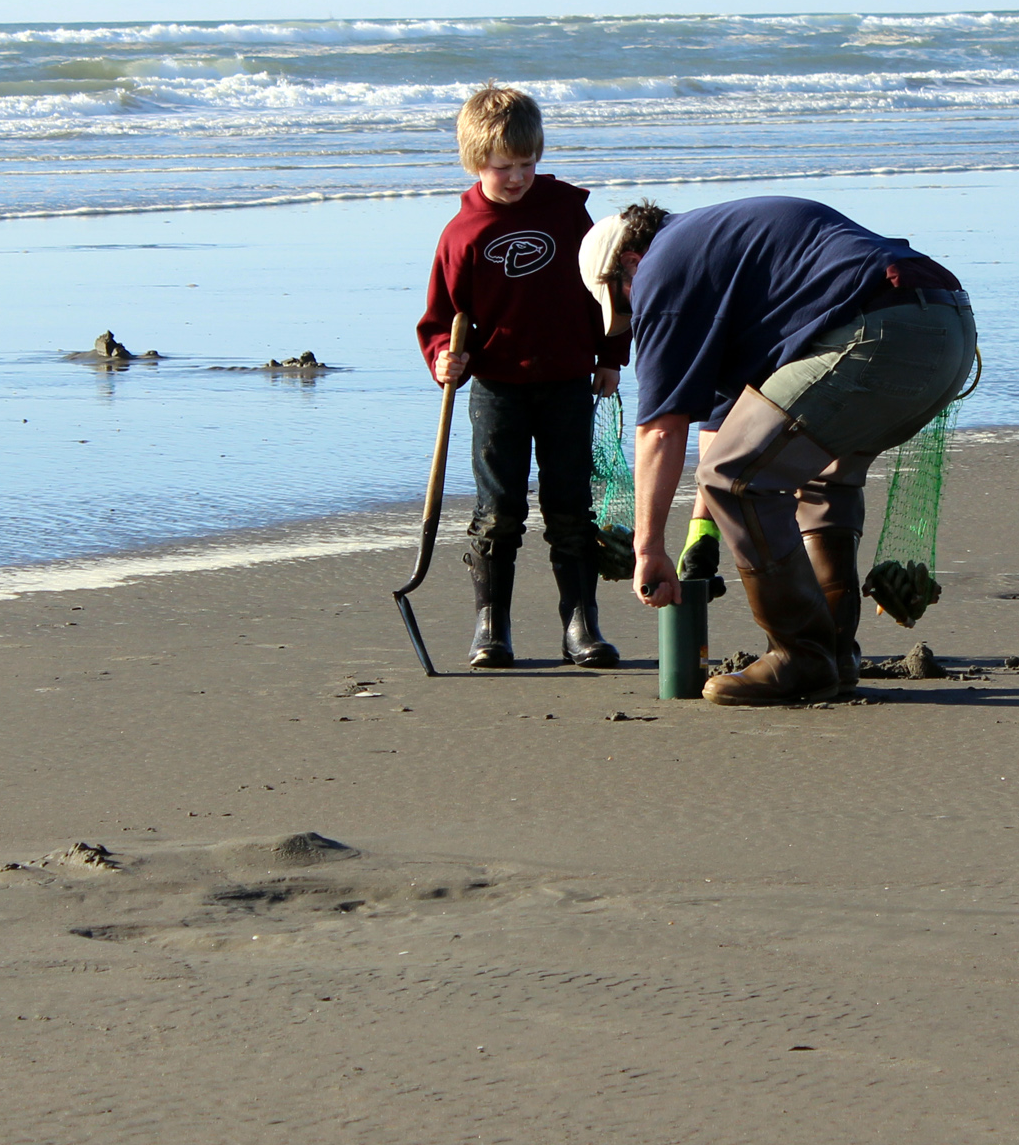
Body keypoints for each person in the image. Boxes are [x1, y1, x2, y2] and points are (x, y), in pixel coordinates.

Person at [579, 196, 976, 705]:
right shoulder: (721, 249)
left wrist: (648, 548)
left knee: (735, 479)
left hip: (878, 332)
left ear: (630, 264)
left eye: (626, 302)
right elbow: (732, 420)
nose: (635, 316)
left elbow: (661, 429)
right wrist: (700, 530)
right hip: (948, 329)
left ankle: (802, 657)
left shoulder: (661, 267)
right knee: (821, 476)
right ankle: (835, 651)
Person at [418, 85, 627, 669]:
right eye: (502, 166)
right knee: (499, 509)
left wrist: (610, 353)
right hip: (495, 386)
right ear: (475, 161)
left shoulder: (567, 212)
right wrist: (443, 358)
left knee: (570, 504)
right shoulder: (463, 235)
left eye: (527, 164)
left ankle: (580, 626)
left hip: (566, 378)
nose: (516, 178)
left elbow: (601, 289)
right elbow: (439, 319)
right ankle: (491, 628)